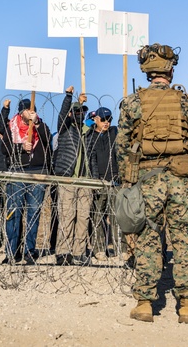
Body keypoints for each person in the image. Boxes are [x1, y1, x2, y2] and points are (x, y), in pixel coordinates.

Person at [116, 44, 188, 324]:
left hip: (148, 180)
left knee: (147, 238)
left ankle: (145, 303)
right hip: (180, 180)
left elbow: (122, 146)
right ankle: (187, 305)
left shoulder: (132, 102)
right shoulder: (187, 102)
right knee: (183, 241)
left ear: (147, 72)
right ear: (171, 70)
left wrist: (128, 180)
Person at [2, 97, 53, 265]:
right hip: (17, 172)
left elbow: (47, 140)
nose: (30, 113)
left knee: (33, 213)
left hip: (37, 173)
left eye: (32, 110)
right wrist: (21, 147)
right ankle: (12, 251)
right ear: (20, 111)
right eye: (27, 110)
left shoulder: (40, 126)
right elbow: (5, 148)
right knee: (13, 213)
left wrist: (36, 122)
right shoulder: (12, 127)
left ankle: (30, 251)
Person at [52, 86, 91, 266]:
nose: (79, 114)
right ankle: (63, 251)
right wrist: (70, 97)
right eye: (76, 112)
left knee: (83, 218)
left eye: (82, 112)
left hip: (86, 180)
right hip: (68, 177)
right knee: (67, 217)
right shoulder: (66, 129)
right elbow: (62, 117)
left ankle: (79, 252)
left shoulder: (87, 131)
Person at [84, 106, 120, 263]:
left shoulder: (114, 133)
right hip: (100, 181)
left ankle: (120, 249)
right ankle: (99, 249)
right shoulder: (90, 136)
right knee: (98, 217)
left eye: (109, 119)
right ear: (96, 119)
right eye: (103, 119)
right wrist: (95, 178)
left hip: (116, 180)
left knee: (117, 217)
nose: (107, 122)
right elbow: (91, 158)